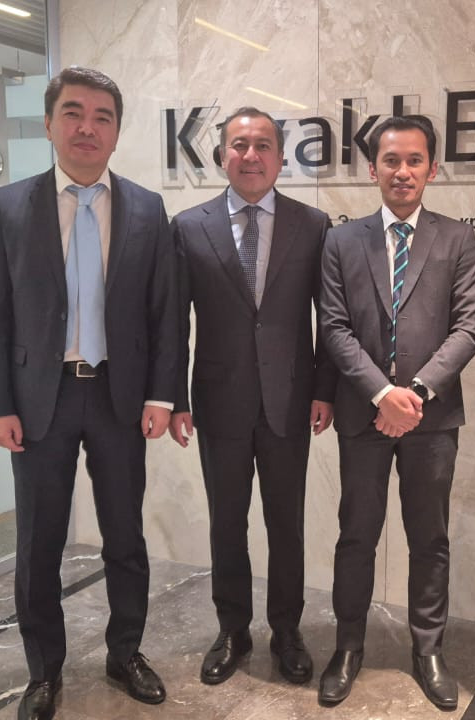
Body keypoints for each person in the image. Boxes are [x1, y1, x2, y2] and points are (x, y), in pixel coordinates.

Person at [0, 66, 176, 720]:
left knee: (125, 537)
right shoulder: (9, 206)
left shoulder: (146, 208)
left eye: (102, 117)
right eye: (73, 113)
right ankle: (44, 672)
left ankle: (126, 652)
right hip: (41, 400)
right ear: (49, 124)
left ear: (116, 132)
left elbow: (165, 312)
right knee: (39, 543)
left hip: (120, 397)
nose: (87, 128)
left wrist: (162, 395)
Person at [316, 115, 475, 710]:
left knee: (429, 538)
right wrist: (380, 394)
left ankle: (428, 650)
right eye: (391, 160)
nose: (403, 171)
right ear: (373, 170)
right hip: (363, 417)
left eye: (415, 160)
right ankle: (348, 646)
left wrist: (414, 393)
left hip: (431, 421)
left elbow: (469, 327)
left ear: (432, 169)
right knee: (356, 536)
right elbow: (334, 328)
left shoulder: (457, 239)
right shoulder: (342, 241)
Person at [169, 106, 335, 686]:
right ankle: (232, 629)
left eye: (263, 145)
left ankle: (287, 631)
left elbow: (330, 318)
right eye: (239, 145)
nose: (251, 155)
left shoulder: (312, 225)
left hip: (290, 400)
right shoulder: (189, 227)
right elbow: (174, 322)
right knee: (226, 523)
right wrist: (175, 398)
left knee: (286, 523)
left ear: (281, 158)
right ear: (221, 156)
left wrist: (325, 390)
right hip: (219, 402)